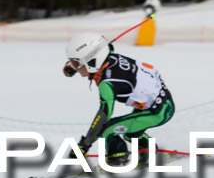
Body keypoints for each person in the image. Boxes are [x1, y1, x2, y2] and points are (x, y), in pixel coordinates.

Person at [63, 32, 174, 166]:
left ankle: (117, 161)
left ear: (92, 62)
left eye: (76, 64)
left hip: (158, 112)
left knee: (107, 130)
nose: (75, 67)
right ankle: (149, 153)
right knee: (130, 133)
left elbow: (104, 116)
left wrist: (85, 144)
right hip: (160, 103)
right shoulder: (108, 58)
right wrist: (74, 67)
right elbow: (105, 50)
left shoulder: (107, 83)